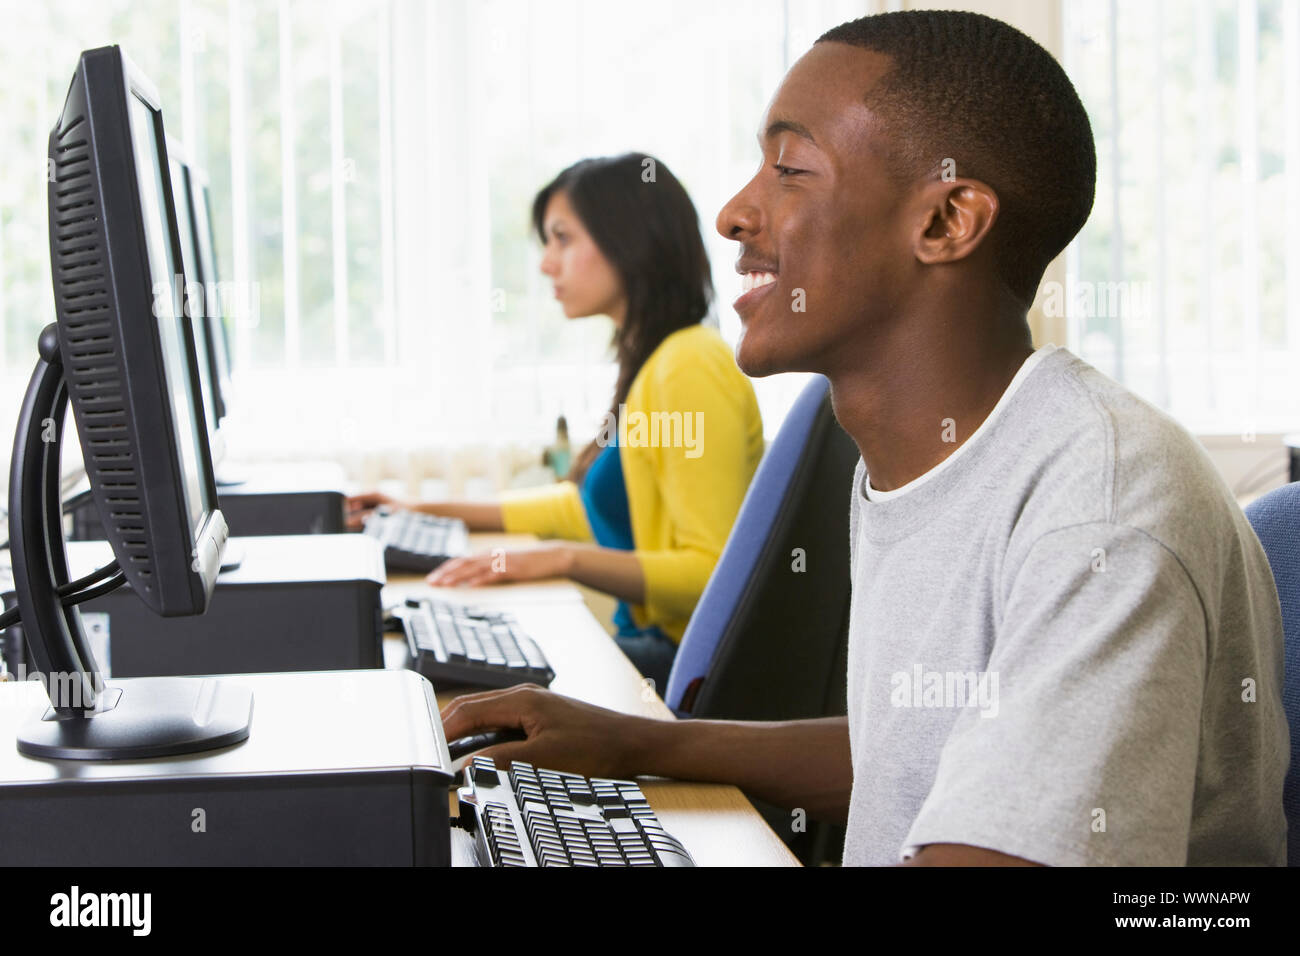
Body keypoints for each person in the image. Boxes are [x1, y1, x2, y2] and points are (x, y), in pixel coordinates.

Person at [437, 11, 1290, 867]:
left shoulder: (1101, 509)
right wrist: (634, 745)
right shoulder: (920, 461)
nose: (735, 213)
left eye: (791, 169)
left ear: (947, 221)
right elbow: (914, 753)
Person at [348, 153, 764, 689]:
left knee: (453, 690)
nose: (547, 263)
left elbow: (712, 575)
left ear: (630, 240)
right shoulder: (660, 360)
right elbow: (584, 506)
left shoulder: (690, 366)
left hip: (685, 669)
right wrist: (422, 508)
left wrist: (558, 560)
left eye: (562, 238)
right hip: (663, 652)